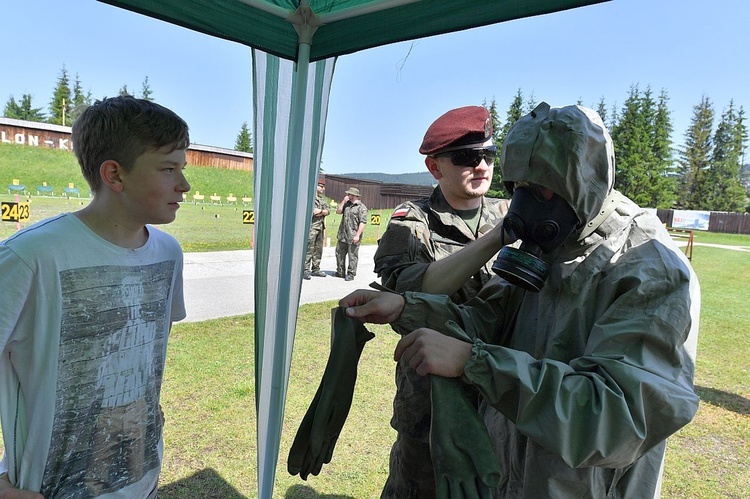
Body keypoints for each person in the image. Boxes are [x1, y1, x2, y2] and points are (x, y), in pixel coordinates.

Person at [341, 102, 701, 498]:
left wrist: (475, 362)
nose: (527, 205)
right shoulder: (554, 239)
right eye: (518, 190)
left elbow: (617, 418)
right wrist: (406, 308)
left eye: (541, 189)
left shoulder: (645, 266)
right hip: (511, 469)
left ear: (584, 178)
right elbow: (485, 318)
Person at [0, 96, 191, 498]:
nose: (184, 185)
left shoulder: (168, 252)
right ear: (114, 175)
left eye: (182, 168)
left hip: (142, 480)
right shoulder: (31, 257)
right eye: (168, 168)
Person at [373, 105, 509, 498]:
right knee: (418, 487)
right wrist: (499, 238)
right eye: (466, 157)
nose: (481, 166)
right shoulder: (412, 222)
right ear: (435, 168)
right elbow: (417, 292)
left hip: (504, 384)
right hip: (434, 398)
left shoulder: (507, 211)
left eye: (488, 155)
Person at [335, 187, 367, 281]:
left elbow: (363, 222)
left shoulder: (361, 207)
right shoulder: (346, 205)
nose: (347, 195)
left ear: (354, 195)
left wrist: (357, 235)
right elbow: (338, 212)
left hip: (353, 235)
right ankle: (340, 272)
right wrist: (343, 202)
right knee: (339, 253)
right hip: (342, 234)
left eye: (349, 194)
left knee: (352, 255)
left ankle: (351, 273)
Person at [303, 176, 330, 280]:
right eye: (321, 186)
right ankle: (305, 270)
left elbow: (328, 211)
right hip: (311, 227)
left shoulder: (321, 200)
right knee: (309, 249)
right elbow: (312, 212)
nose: (323, 188)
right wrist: (320, 212)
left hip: (320, 227)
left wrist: (321, 212)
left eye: (323, 187)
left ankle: (316, 269)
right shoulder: (309, 198)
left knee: (318, 249)